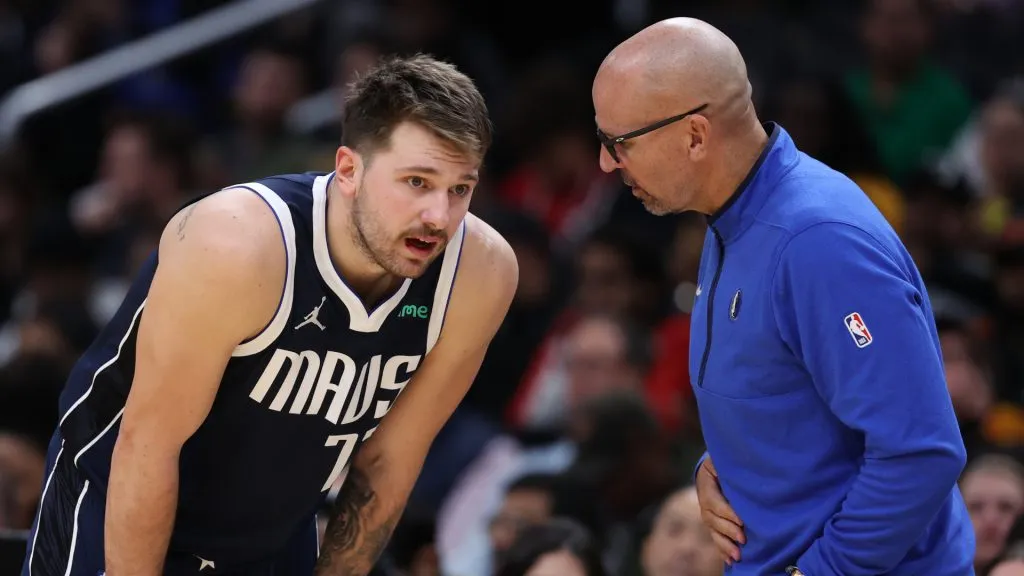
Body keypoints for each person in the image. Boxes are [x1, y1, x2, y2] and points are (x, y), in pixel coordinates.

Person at [21, 54, 518, 576]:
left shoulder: (479, 275)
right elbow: (148, 447)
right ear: (349, 170)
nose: (439, 216)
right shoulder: (238, 244)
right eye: (417, 182)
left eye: (460, 188)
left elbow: (387, 465)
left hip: (270, 535)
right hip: (112, 495)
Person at [592, 17, 973, 576]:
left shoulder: (817, 242)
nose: (606, 163)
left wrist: (818, 572)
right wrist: (721, 465)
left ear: (695, 135)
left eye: (618, 142)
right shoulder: (734, 213)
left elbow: (920, 452)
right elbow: (780, 393)